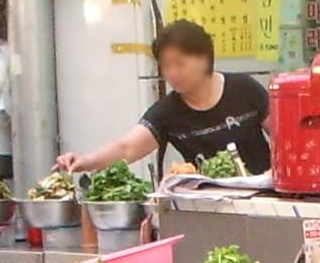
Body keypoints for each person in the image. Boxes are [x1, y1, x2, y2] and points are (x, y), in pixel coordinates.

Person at [57, 19, 270, 174]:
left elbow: (282, 135)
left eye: (180, 63)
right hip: (207, 205)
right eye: (166, 66)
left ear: (204, 58)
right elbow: (127, 147)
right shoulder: (168, 112)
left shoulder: (244, 89)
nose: (172, 73)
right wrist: (85, 161)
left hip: (266, 197)